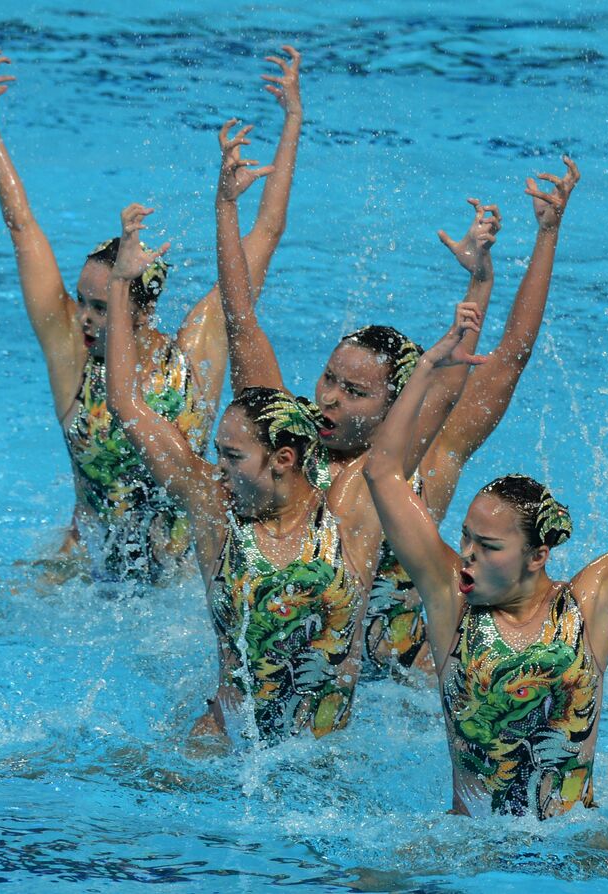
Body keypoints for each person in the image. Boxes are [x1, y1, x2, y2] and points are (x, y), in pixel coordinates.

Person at [218, 137, 580, 675]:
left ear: (398, 407)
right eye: (329, 379)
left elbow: (509, 359)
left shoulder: (425, 469)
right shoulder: (283, 442)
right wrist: (225, 206)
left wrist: (531, 244)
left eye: (356, 392)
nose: (329, 399)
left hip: (402, 687)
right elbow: (241, 322)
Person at [362, 308, 608, 818]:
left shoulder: (589, 604)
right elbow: (383, 474)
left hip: (572, 841)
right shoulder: (448, 601)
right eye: (465, 538)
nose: (466, 554)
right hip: (468, 846)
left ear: (537, 557)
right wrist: (427, 368)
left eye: (488, 545)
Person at [0, 45, 304, 583]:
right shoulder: (74, 358)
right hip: (89, 570)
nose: (82, 318)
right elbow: (23, 227)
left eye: (101, 307)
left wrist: (292, 121)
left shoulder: (194, 353)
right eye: (82, 301)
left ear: (144, 310)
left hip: (179, 579)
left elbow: (265, 233)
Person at [104, 198, 391, 743]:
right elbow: (125, 403)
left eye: (232, 457)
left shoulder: (349, 516)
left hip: (324, 758)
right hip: (225, 743)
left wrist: (469, 313)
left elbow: (423, 424)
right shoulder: (214, 508)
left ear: (284, 459)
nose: (218, 468)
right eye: (218, 452)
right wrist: (121, 285)